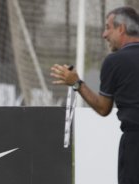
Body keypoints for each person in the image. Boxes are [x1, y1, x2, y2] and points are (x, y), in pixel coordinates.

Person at [51, 6, 139, 184]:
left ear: (121, 28)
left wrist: (76, 83)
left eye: (108, 27)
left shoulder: (115, 61)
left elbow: (103, 107)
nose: (104, 34)